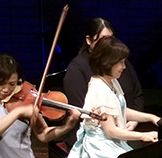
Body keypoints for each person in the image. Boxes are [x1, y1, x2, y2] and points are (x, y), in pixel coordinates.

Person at [62, 17, 144, 147]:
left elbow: (137, 94)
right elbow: (86, 112)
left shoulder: (120, 64)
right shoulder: (78, 69)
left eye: (111, 39)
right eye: (103, 40)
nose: (108, 44)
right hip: (97, 138)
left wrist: (133, 121)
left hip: (123, 128)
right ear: (89, 40)